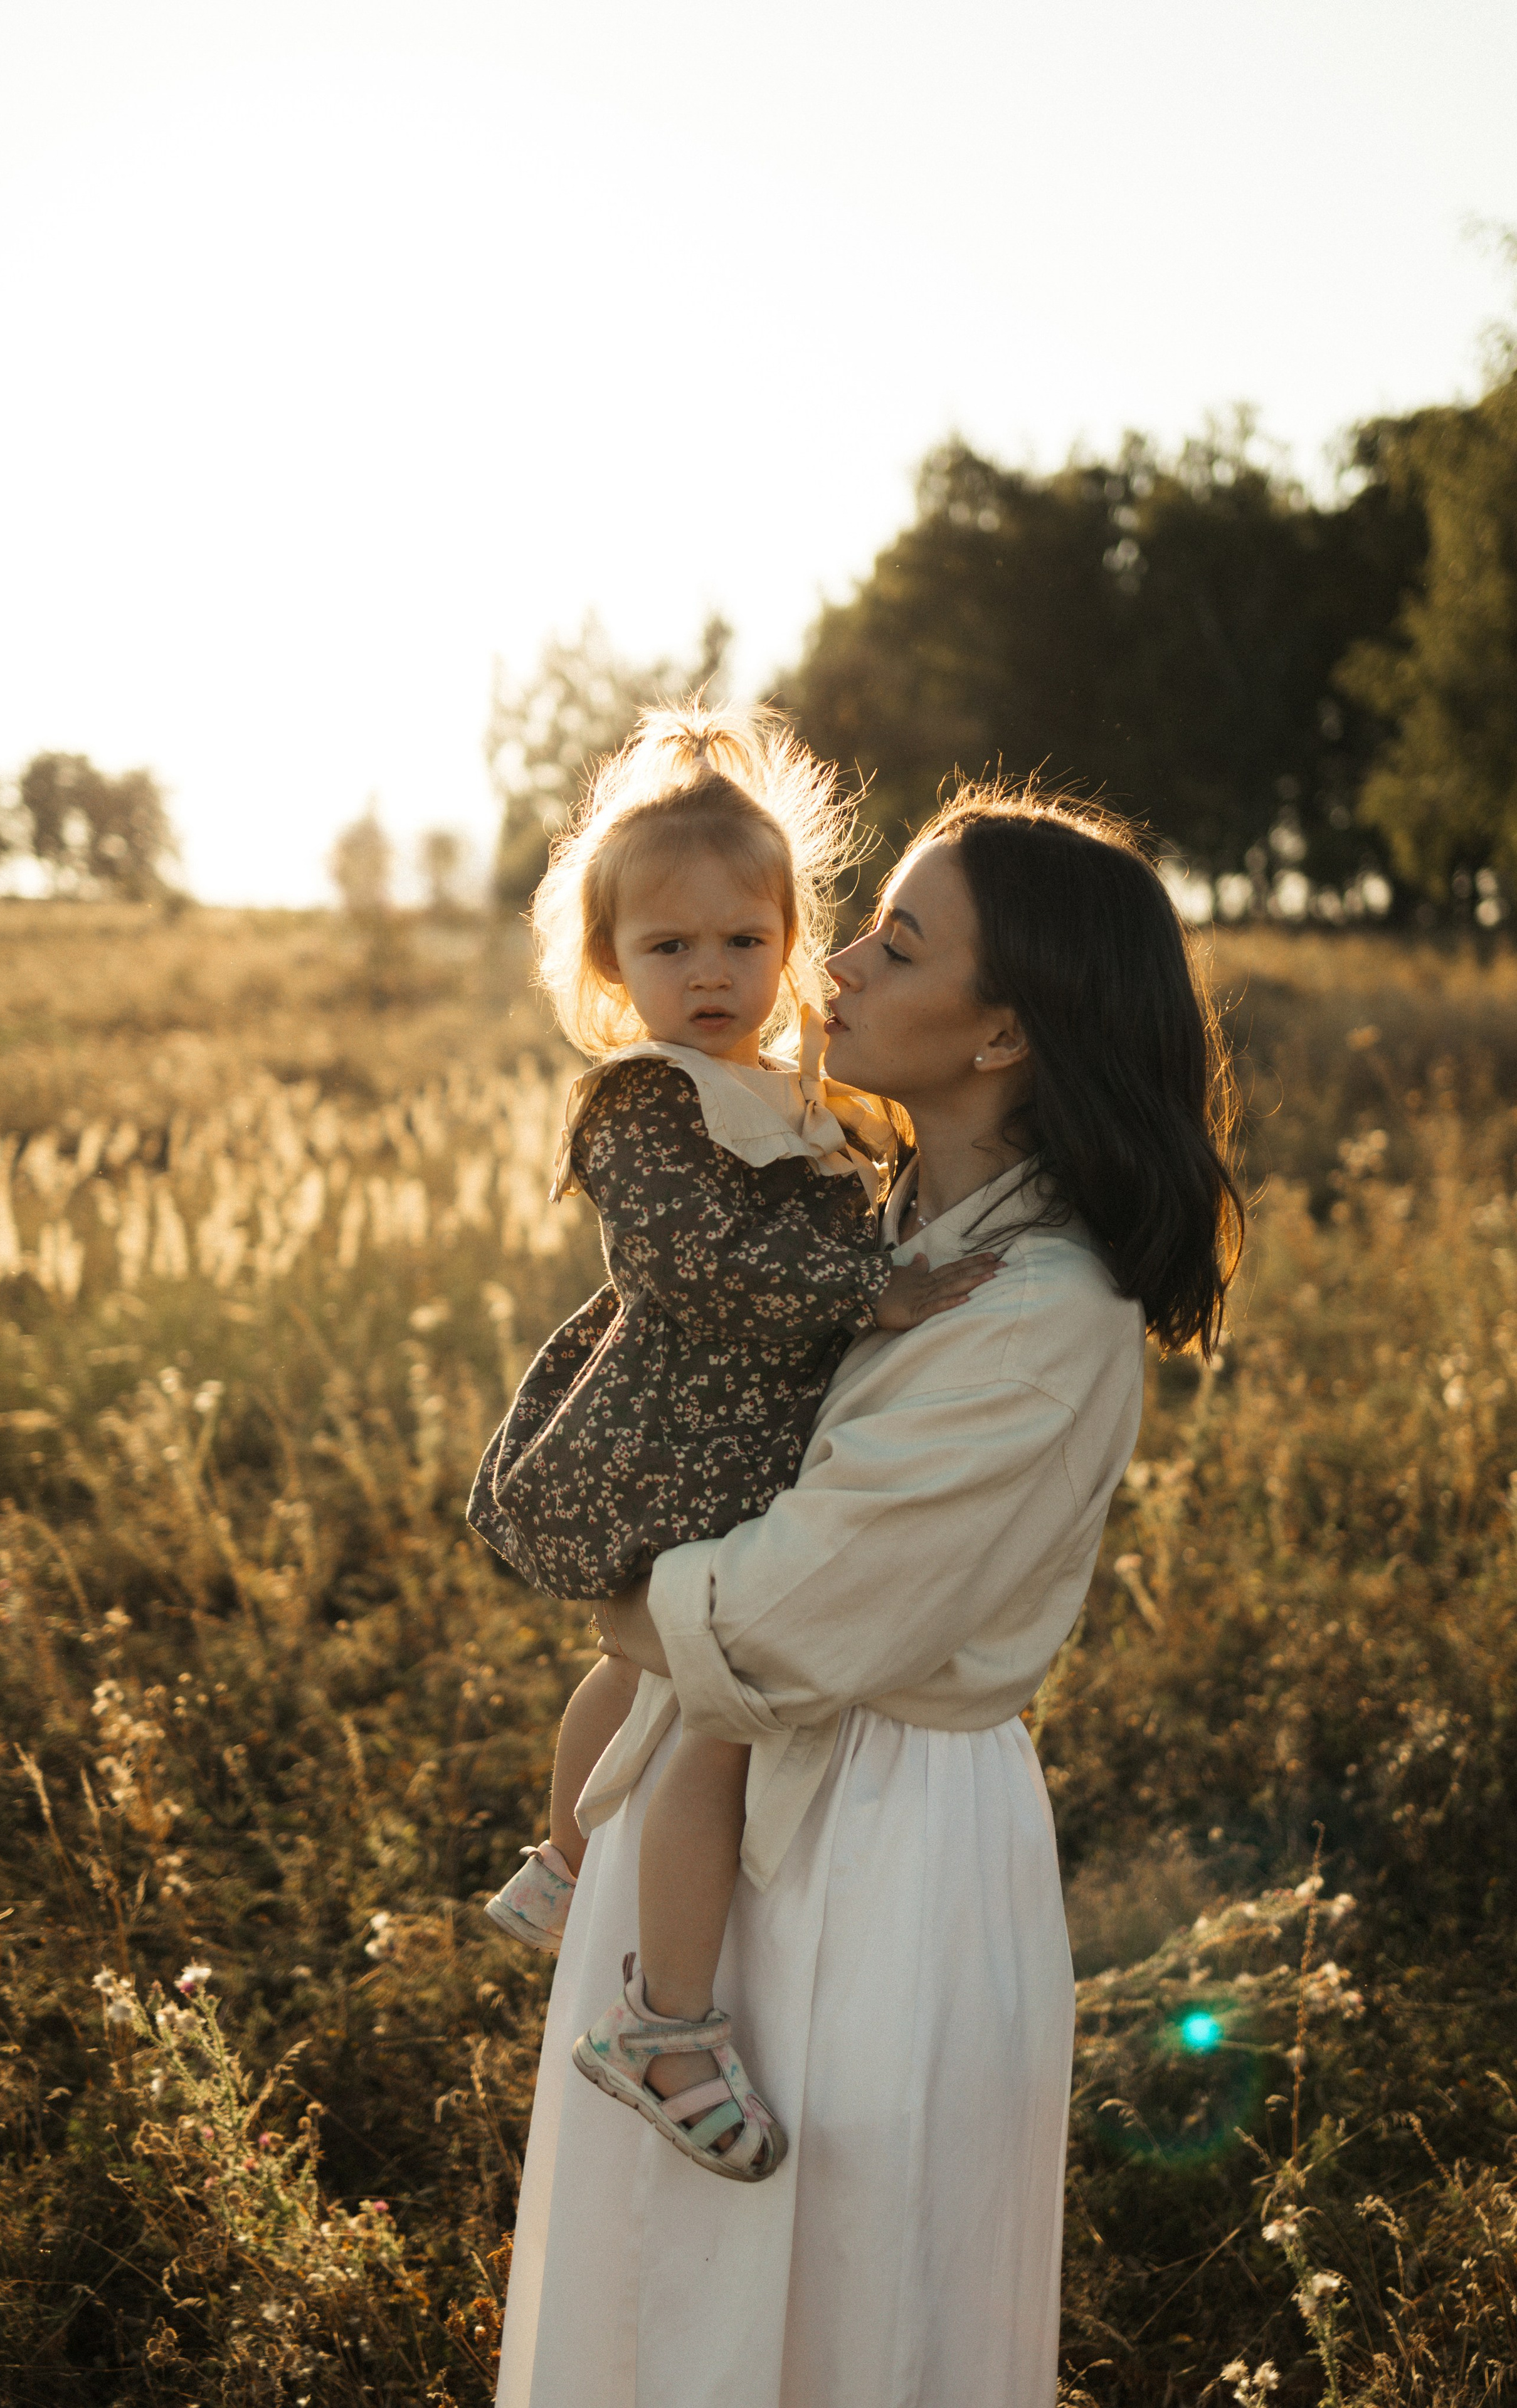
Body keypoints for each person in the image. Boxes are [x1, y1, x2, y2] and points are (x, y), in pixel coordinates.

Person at [495, 778, 1244, 2408]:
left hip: (873, 1850)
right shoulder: (870, 1204)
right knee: (659, 2319)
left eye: (896, 945)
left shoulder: (1039, 1314)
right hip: (710, 1834)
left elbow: (769, 1620)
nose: (828, 962)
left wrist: (588, 1570)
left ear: (1002, 1034)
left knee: (836, 2323)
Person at [468, 705, 994, 2178]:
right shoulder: (646, 1102)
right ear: (609, 967)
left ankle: (565, 1861)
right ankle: (665, 2019)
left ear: (787, 943)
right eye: (667, 947)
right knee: (708, 1718)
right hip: (676, 1447)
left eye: (741, 942)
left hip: (751, 1452)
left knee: (642, 1669)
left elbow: (865, 1176)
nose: (708, 973)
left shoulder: (789, 1088)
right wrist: (865, 1291)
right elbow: (691, 1258)